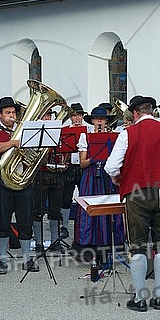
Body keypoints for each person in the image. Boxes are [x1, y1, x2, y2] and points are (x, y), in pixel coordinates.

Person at [105, 96, 160, 312]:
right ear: (152, 111)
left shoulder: (127, 133)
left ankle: (140, 299)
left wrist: (117, 178)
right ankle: (159, 298)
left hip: (137, 193)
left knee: (138, 244)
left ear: (135, 113)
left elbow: (111, 167)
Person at [0, 97, 36, 274]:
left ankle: (27, 259)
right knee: (3, 222)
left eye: (13, 112)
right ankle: (2, 259)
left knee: (25, 221)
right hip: (1, 184)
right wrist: (14, 143)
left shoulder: (25, 131)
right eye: (7, 113)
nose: (11, 116)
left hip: (23, 182)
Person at [73, 106, 124, 259]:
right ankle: (90, 247)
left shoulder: (114, 137)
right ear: (93, 121)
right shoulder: (85, 137)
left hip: (108, 175)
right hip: (91, 175)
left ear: (106, 120)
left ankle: (110, 245)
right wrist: (92, 158)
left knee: (110, 208)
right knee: (90, 209)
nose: (99, 121)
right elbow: (82, 163)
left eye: (102, 119)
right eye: (96, 119)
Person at [32, 110, 65, 254]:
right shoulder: (34, 131)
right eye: (45, 115)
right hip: (40, 173)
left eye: (49, 115)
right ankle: (39, 244)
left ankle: (55, 241)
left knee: (55, 209)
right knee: (37, 210)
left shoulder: (57, 130)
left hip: (56, 173)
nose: (47, 118)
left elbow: (63, 149)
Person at [59, 103, 91, 240]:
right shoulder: (64, 130)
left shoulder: (89, 130)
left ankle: (85, 225)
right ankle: (64, 226)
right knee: (65, 198)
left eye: (79, 115)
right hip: (69, 166)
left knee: (85, 197)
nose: (77, 118)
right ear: (70, 117)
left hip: (84, 166)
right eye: (74, 116)